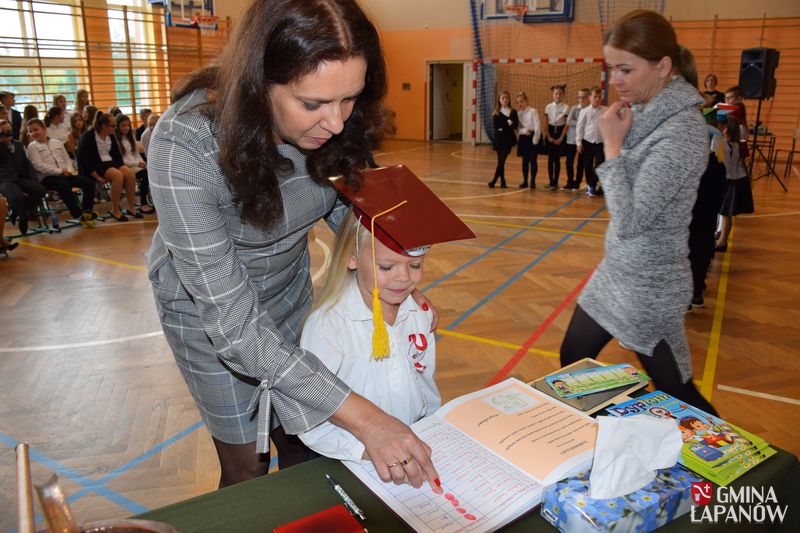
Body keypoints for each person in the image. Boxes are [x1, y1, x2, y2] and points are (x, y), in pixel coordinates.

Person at [146, 0, 442, 491]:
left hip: (289, 290)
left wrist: (395, 276)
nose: (337, 123)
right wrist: (368, 420)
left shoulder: (337, 121)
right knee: (248, 463)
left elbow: (354, 213)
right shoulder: (186, 145)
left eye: (349, 99)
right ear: (259, 83)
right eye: (312, 105)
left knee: (304, 442)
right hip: (208, 316)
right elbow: (235, 327)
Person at [559, 9, 718, 416]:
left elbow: (630, 220)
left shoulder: (682, 131)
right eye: (612, 69)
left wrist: (612, 146)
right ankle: (629, 434)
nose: (616, 80)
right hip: (617, 273)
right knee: (574, 363)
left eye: (626, 69)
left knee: (680, 396)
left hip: (651, 286)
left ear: (662, 67)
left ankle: (736, 455)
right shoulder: (646, 111)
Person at [297, 166, 474, 461]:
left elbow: (425, 384)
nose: (403, 278)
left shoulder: (418, 315)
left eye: (415, 266)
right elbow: (311, 414)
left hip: (409, 446)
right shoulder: (328, 326)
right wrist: (364, 451)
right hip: (351, 457)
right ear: (351, 258)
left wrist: (431, 428)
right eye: (387, 267)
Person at [25, 118, 96, 226]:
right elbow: (38, 166)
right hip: (47, 178)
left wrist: (69, 170)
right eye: (30, 131)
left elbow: (66, 158)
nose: (33, 133)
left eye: (36, 129)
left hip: (65, 174)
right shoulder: (32, 147)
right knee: (64, 186)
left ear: (44, 129)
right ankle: (76, 212)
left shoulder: (56, 142)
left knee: (89, 183)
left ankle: (87, 212)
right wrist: (59, 171)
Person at [688, 113, 726, 309]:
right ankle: (697, 292)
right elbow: (721, 192)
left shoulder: (689, 166)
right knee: (702, 253)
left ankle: (688, 295)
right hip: (708, 216)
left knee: (688, 254)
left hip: (690, 217)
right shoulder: (718, 167)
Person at [76, 112, 139, 221]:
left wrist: (122, 166)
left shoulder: (111, 136)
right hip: (95, 165)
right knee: (117, 175)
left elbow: (117, 156)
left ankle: (131, 207)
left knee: (130, 173)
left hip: (110, 162)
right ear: (104, 126)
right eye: (113, 126)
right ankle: (115, 210)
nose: (115, 128)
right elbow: (82, 159)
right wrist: (96, 176)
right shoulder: (88, 136)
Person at [0, 119, 47, 235]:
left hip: (20, 178)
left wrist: (30, 178)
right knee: (16, 196)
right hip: (4, 180)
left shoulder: (18, 144)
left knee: (40, 190)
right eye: (3, 132)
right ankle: (23, 218)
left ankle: (17, 210)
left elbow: (25, 163)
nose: (7, 134)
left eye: (9, 131)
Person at [715, 115, 754, 252]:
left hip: (732, 182)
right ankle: (721, 238)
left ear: (726, 128)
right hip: (738, 181)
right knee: (725, 213)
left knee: (726, 213)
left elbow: (724, 166)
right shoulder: (739, 144)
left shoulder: (726, 145)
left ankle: (722, 242)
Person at [115, 114, 154, 213]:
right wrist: (137, 163)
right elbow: (121, 160)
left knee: (150, 172)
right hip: (125, 167)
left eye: (128, 125)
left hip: (135, 165)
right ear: (117, 126)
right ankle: (143, 203)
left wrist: (142, 162)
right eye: (123, 126)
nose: (126, 128)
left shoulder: (130, 137)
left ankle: (149, 201)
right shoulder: (116, 140)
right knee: (145, 175)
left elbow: (136, 154)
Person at [576, 86, 607, 197]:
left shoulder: (605, 110)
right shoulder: (584, 111)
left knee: (601, 164)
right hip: (587, 142)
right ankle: (591, 187)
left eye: (599, 97)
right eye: (595, 97)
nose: (597, 99)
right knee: (588, 165)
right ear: (589, 97)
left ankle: (591, 183)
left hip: (600, 142)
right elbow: (580, 127)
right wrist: (579, 143)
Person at [488, 90, 517, 188]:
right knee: (500, 161)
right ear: (499, 100)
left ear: (509, 99)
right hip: (499, 139)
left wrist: (505, 125)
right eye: (503, 98)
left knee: (501, 161)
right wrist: (508, 122)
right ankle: (503, 181)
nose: (505, 100)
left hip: (508, 140)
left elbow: (515, 125)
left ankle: (494, 180)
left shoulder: (513, 111)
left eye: (507, 98)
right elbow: (496, 126)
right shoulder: (496, 112)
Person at [543, 84, 568, 190]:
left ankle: (556, 182)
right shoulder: (548, 107)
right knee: (550, 159)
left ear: (563, 95)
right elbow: (545, 123)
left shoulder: (566, 107)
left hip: (560, 133)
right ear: (553, 95)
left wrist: (561, 138)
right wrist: (548, 137)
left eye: (560, 94)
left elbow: (566, 125)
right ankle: (551, 182)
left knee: (557, 159)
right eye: (556, 94)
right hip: (550, 132)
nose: (558, 96)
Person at [562, 88, 588, 192]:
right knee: (569, 162)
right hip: (571, 140)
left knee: (581, 163)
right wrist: (582, 123)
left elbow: (589, 124)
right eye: (579, 97)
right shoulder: (574, 108)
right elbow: (568, 122)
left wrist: (577, 122)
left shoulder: (589, 110)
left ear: (588, 97)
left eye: (584, 97)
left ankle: (577, 183)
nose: (581, 99)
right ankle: (570, 182)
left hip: (583, 140)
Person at [514, 91, 540, 189]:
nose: (520, 104)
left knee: (533, 160)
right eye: (518, 102)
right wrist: (524, 131)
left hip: (533, 137)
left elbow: (537, 126)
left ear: (526, 101)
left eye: (522, 101)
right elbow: (517, 129)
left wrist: (535, 139)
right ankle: (525, 181)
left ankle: (533, 181)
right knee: (524, 161)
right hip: (524, 138)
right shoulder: (518, 114)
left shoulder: (533, 111)